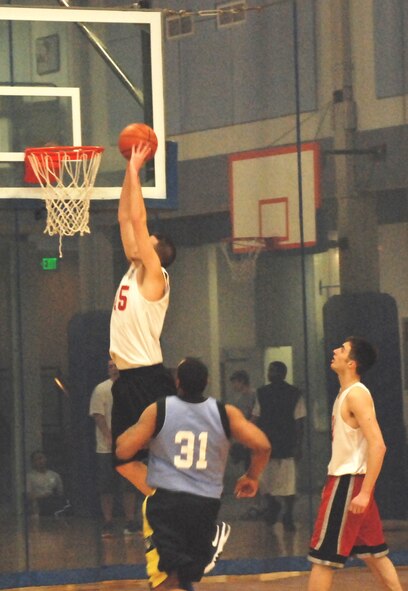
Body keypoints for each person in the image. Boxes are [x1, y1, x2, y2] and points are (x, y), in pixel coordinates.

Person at [116, 357, 271, 591]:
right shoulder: (224, 413)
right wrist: (251, 476)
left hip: (168, 503)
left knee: (164, 577)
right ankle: (207, 548)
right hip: (205, 503)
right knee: (179, 574)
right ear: (207, 381)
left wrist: (145, 437)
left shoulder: (160, 409)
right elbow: (262, 446)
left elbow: (124, 450)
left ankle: (207, 550)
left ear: (177, 381)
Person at [308, 336, 403, 591]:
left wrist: (364, 493)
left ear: (352, 363)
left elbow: (378, 445)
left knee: (323, 558)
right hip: (350, 482)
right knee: (374, 554)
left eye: (342, 349)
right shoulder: (346, 393)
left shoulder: (357, 395)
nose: (335, 351)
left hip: (350, 483)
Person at [109, 143, 177, 496]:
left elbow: (137, 218)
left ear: (156, 253)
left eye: (146, 241)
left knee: (164, 456)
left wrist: (136, 169)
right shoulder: (134, 268)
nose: (138, 240)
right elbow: (125, 218)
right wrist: (127, 171)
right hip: (128, 379)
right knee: (121, 459)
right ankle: (165, 505)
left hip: (148, 379)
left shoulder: (155, 276)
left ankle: (193, 519)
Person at [89, 359, 139, 538]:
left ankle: (130, 520)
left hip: (128, 446)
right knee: (106, 486)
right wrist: (109, 437)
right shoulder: (101, 389)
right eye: (110, 366)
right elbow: (98, 415)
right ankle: (108, 521)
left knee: (129, 485)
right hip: (106, 448)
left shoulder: (131, 389)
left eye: (116, 365)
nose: (113, 368)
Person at [253, 361, 306, 531]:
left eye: (272, 370)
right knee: (286, 482)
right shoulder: (294, 393)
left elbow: (255, 417)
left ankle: (276, 507)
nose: (270, 373)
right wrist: (298, 444)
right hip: (285, 441)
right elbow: (299, 421)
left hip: (269, 442)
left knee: (267, 481)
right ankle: (287, 514)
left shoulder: (262, 393)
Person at [27, 450, 70, 518]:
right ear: (33, 463)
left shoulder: (55, 475)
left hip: (54, 504)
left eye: (41, 458)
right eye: (36, 460)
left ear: (45, 459)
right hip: (38, 504)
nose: (40, 461)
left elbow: (60, 493)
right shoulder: (30, 477)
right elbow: (28, 495)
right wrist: (42, 496)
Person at [228, 370, 256, 468]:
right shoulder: (240, 398)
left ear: (242, 382)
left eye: (235, 382)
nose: (233, 386)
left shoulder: (253, 395)